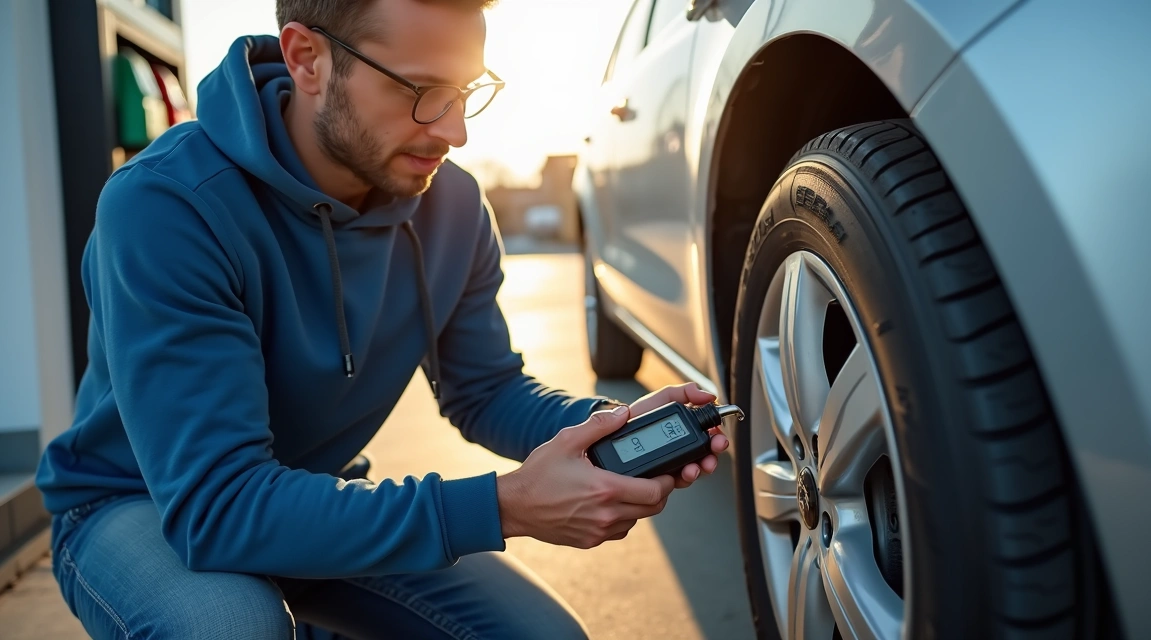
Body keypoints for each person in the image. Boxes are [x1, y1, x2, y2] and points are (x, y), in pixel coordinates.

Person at [33, 0, 730, 638]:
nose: (453, 130)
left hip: (314, 493)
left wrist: (611, 429)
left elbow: (485, 390)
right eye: (419, 91)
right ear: (307, 58)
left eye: (465, 92)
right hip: (144, 508)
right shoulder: (166, 208)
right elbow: (220, 506)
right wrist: (506, 505)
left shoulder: (452, 207)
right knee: (230, 628)